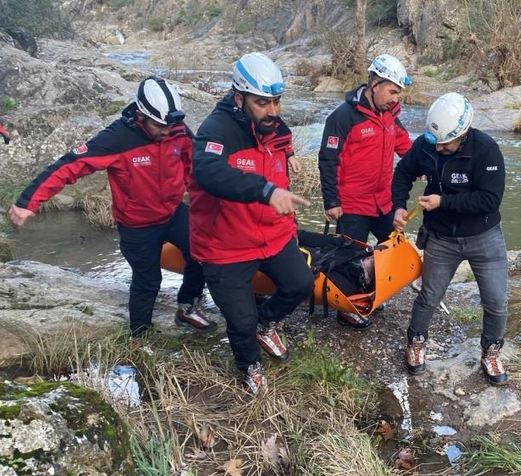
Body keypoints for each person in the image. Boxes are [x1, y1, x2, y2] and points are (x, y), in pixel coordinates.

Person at [7, 77, 216, 338]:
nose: (166, 131)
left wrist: (205, 200)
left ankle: (187, 306)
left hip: (173, 213)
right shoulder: (117, 139)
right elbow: (70, 166)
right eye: (160, 126)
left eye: (171, 125)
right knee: (148, 280)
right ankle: (140, 335)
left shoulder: (176, 129)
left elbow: (193, 164)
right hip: (136, 225)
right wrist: (28, 202)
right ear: (141, 114)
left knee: (204, 252)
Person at [188, 52, 313, 395]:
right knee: (240, 321)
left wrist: (288, 154)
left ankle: (267, 322)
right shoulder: (217, 129)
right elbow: (208, 171)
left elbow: (282, 136)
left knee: (301, 284)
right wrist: (266, 190)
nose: (272, 111)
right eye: (262, 103)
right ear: (239, 98)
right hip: (224, 246)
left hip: (271, 236)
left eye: (277, 101)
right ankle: (250, 365)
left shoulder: (272, 123)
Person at [392, 92, 510, 386]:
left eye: (446, 143)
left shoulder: (486, 150)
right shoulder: (428, 144)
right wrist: (397, 205)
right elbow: (403, 173)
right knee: (429, 296)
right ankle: (416, 342)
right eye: (436, 142)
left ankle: (491, 351)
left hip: (484, 236)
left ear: (463, 133)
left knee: (496, 301)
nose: (440, 147)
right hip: (442, 237)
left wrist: (443, 202)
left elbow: (489, 200)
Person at [317, 53, 413, 330]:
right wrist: (331, 200)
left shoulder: (391, 116)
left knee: (390, 249)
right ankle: (347, 307)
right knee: (349, 256)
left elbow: (406, 147)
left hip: (383, 201)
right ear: (374, 84)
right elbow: (328, 159)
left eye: (398, 93)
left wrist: (421, 165)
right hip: (351, 204)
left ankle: (373, 292)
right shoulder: (343, 117)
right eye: (392, 91)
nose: (395, 98)